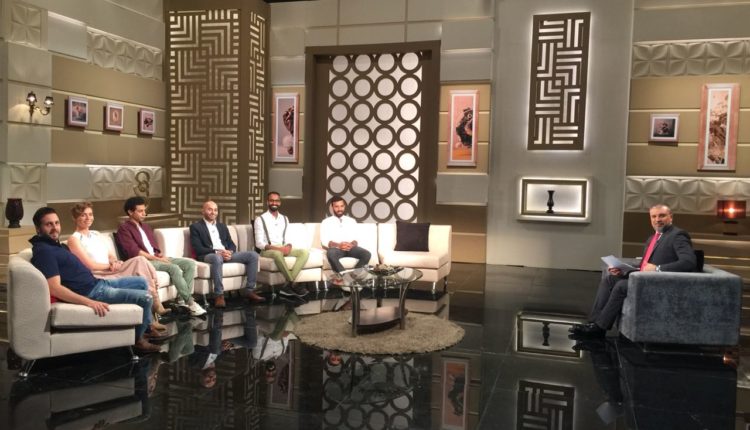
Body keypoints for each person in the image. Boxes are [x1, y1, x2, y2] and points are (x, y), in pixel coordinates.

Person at [29, 207, 160, 353]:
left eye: (56, 223)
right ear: (38, 228)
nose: (55, 228)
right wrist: (89, 302)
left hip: (97, 283)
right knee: (146, 298)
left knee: (141, 281)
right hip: (92, 292)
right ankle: (137, 341)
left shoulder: (53, 245)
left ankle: (146, 327)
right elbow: (54, 288)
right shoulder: (44, 252)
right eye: (49, 224)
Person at [570, 204, 696, 337]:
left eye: (662, 216)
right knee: (610, 279)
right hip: (644, 278)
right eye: (653, 216)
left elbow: (689, 262)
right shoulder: (653, 238)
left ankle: (600, 328)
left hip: (660, 282)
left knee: (622, 285)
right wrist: (624, 271)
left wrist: (658, 268)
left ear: (670, 217)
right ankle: (593, 322)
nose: (657, 219)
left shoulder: (677, 235)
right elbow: (644, 268)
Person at [66, 202, 169, 331]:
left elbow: (110, 255)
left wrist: (114, 261)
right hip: (98, 274)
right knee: (140, 271)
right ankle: (151, 319)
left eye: (90, 214)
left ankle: (155, 300)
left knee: (140, 260)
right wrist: (109, 266)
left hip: (111, 269)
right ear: (75, 218)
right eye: (83, 215)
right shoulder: (74, 239)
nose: (88, 218)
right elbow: (89, 265)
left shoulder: (96, 234)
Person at [116, 196, 206, 316]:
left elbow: (153, 247)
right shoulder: (124, 229)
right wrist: (157, 258)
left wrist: (159, 255)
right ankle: (190, 302)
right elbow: (135, 252)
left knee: (189, 264)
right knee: (173, 268)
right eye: (140, 211)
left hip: (155, 258)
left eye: (144, 210)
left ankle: (182, 301)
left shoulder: (145, 227)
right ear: (130, 212)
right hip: (144, 262)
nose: (144, 213)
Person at [189, 200, 264, 308]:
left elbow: (231, 244)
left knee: (253, 255)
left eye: (215, 210)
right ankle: (219, 295)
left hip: (225, 253)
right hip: (209, 255)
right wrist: (218, 252)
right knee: (217, 258)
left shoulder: (222, 226)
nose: (213, 212)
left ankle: (249, 291)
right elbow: (198, 249)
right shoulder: (196, 227)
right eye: (210, 209)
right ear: (203, 211)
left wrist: (230, 252)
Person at [254, 192, 310, 297]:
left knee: (304, 252)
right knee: (277, 254)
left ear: (279, 202)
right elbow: (259, 243)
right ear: (267, 202)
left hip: (282, 247)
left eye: (276, 201)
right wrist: (278, 249)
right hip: (267, 250)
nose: (274, 203)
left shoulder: (284, 218)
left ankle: (287, 286)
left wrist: (288, 246)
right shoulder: (260, 219)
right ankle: (292, 283)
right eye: (271, 200)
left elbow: (288, 237)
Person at [320, 196, 371, 273]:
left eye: (341, 206)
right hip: (336, 249)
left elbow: (357, 237)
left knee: (366, 254)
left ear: (344, 206)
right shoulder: (326, 222)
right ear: (332, 207)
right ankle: (346, 277)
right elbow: (324, 240)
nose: (339, 209)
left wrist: (351, 244)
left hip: (351, 248)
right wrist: (339, 245)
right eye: (336, 206)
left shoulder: (352, 221)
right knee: (330, 253)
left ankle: (353, 276)